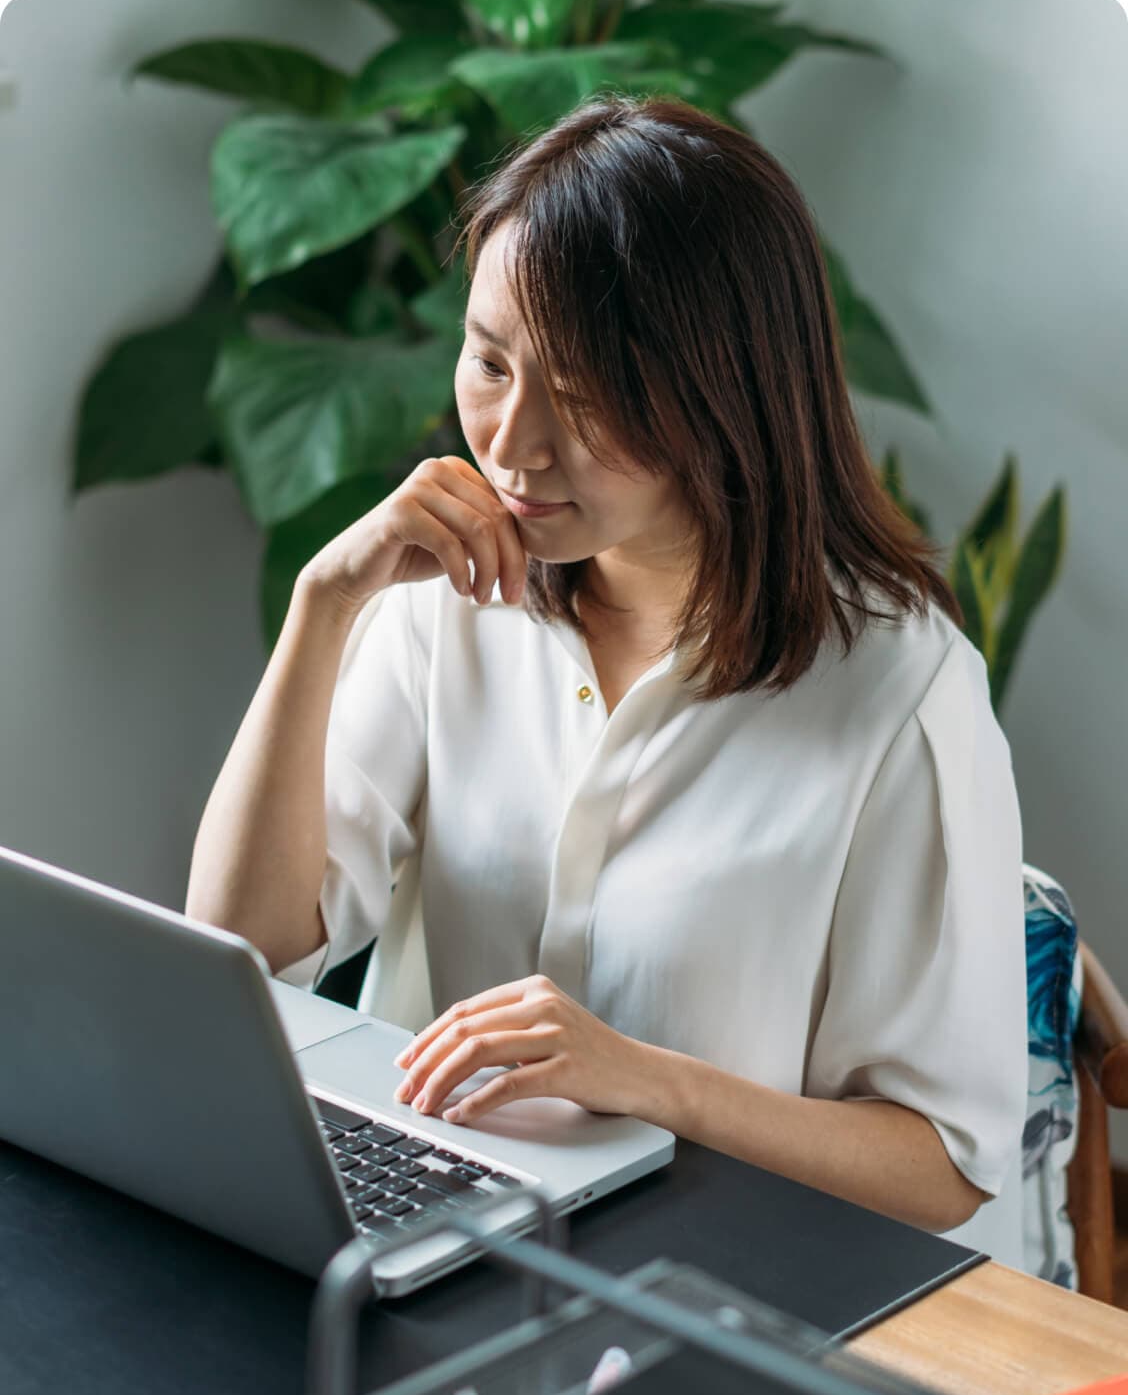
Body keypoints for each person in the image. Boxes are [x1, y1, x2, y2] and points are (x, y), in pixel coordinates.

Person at [186, 95, 1028, 1258]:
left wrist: (648, 1083)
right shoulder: (441, 598)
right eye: (489, 362)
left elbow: (942, 1164)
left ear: (725, 397)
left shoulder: (902, 694)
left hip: (720, 1284)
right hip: (438, 1235)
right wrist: (324, 606)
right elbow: (244, 948)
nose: (513, 444)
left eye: (584, 399)